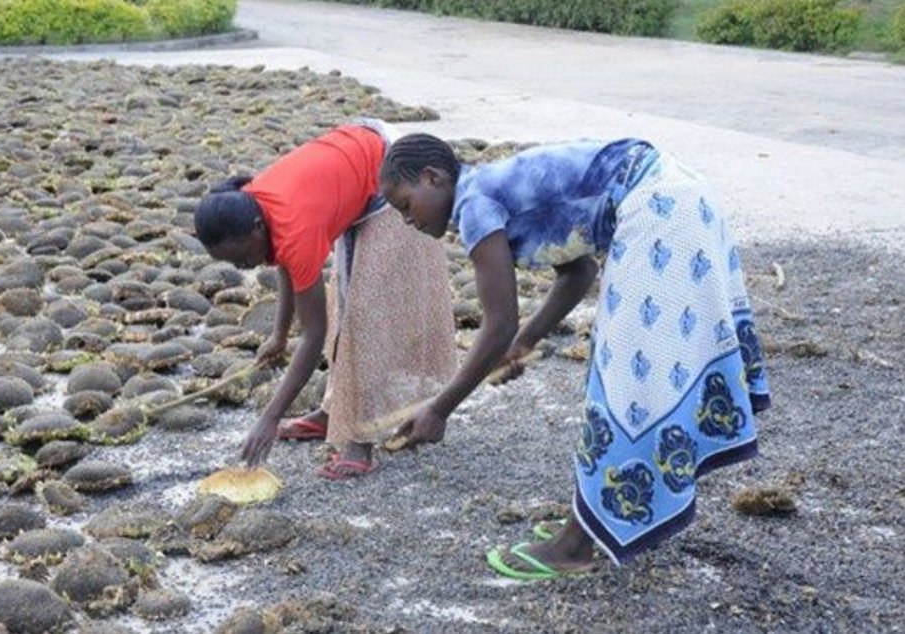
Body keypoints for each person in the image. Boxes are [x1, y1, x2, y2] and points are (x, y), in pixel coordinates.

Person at [379, 133, 770, 577]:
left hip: (658, 206)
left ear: (433, 178)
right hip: (681, 194)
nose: (406, 220)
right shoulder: (495, 188)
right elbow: (577, 269)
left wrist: (440, 409)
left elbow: (498, 320)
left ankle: (575, 545)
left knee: (624, 383)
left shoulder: (474, 203)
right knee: (638, 372)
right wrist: (524, 343)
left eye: (405, 205)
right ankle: (601, 519)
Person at [194, 121, 455, 479]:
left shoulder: (292, 226)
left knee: (364, 316)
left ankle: (359, 440)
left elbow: (313, 334)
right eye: (232, 264)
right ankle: (334, 412)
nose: (242, 266)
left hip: (387, 174)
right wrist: (279, 335)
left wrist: (268, 419)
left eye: (241, 256)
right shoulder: (252, 205)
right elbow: (284, 261)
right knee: (341, 302)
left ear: (256, 228)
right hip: (355, 168)